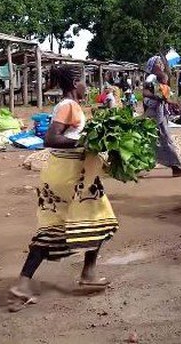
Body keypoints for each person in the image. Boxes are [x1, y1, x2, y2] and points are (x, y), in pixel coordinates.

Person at [9, 66, 119, 311]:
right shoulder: (67, 106)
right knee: (94, 220)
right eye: (85, 82)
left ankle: (27, 283)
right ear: (74, 83)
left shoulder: (74, 106)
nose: (88, 87)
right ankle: (84, 274)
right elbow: (50, 139)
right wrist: (86, 141)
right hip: (67, 177)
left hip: (71, 174)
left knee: (66, 226)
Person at [143, 55, 181, 177]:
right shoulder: (151, 77)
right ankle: (176, 167)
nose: (161, 65)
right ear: (153, 66)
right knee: (165, 140)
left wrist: (173, 103)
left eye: (161, 63)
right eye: (159, 63)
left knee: (156, 140)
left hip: (158, 112)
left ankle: (144, 165)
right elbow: (145, 92)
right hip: (154, 113)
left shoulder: (158, 79)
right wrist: (159, 97)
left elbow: (165, 96)